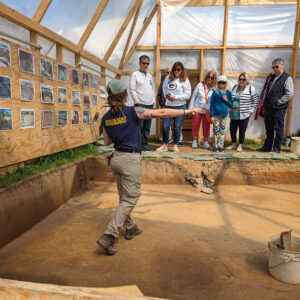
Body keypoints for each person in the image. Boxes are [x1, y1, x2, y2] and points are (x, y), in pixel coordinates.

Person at [97, 79, 201, 255]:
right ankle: (109, 235)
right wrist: (187, 110)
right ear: (124, 95)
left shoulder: (106, 118)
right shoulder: (133, 111)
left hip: (116, 159)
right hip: (130, 159)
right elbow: (160, 112)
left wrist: (119, 131)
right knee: (131, 198)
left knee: (124, 198)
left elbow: (107, 142)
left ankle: (131, 227)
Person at [258, 58, 294, 153]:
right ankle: (267, 147)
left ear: (282, 65)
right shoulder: (271, 77)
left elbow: (289, 93)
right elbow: (267, 90)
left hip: (279, 108)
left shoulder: (287, 78)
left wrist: (279, 102)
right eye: (273, 67)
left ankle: (277, 148)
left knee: (278, 128)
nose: (274, 68)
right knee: (269, 128)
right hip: (268, 107)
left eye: (276, 66)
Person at [156, 62, 191, 153]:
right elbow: (164, 90)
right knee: (165, 126)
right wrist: (168, 97)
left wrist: (176, 97)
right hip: (168, 106)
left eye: (178, 70)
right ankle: (165, 145)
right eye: (174, 69)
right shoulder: (167, 78)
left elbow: (188, 95)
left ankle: (175, 145)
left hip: (180, 106)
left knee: (177, 127)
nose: (176, 71)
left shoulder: (185, 80)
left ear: (182, 70)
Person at [226, 72, 259, 152]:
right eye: (240, 79)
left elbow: (256, 100)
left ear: (247, 80)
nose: (241, 81)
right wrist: (229, 110)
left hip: (244, 114)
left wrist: (250, 111)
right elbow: (231, 99)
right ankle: (233, 144)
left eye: (243, 79)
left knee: (242, 130)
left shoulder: (251, 88)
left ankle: (240, 145)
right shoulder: (234, 87)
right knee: (232, 129)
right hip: (234, 113)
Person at [129, 55, 154, 151]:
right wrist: (137, 101)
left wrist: (153, 102)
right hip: (140, 104)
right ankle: (137, 145)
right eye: (144, 63)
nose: (146, 65)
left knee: (147, 127)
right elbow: (132, 89)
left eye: (148, 63)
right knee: (139, 126)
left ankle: (144, 146)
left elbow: (152, 89)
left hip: (149, 105)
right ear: (139, 63)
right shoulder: (135, 74)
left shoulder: (149, 76)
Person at [189, 70, 217, 149]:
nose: (209, 79)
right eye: (208, 77)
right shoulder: (200, 85)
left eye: (212, 78)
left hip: (207, 109)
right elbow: (193, 96)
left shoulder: (214, 88)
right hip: (197, 108)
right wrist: (190, 109)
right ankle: (194, 141)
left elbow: (214, 100)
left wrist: (213, 112)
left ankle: (205, 141)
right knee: (195, 124)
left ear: (214, 79)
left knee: (206, 126)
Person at [210, 75, 232, 152]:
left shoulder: (228, 92)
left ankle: (221, 146)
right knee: (216, 130)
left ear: (226, 83)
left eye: (223, 83)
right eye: (220, 82)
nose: (221, 84)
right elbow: (212, 104)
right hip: (216, 114)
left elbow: (231, 104)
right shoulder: (215, 92)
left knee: (222, 131)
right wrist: (211, 115)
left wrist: (226, 100)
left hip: (224, 114)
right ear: (217, 83)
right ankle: (215, 145)